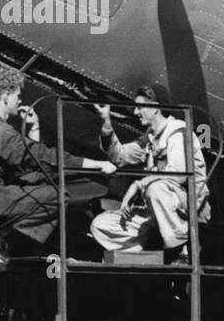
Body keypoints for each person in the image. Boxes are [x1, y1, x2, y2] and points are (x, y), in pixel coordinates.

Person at [0, 67, 115, 254]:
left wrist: (34, 128)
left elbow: (27, 161)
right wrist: (97, 164)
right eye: (17, 95)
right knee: (59, 197)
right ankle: (6, 242)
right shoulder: (0, 131)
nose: (20, 100)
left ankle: (9, 241)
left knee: (38, 181)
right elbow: (43, 156)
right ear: (6, 96)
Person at [89, 86, 210, 256]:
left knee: (156, 189)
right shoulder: (150, 138)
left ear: (154, 107)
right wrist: (106, 124)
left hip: (186, 209)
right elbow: (120, 157)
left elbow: (179, 175)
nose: (136, 112)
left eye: (140, 107)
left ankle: (179, 250)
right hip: (156, 210)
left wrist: (139, 184)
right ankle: (149, 249)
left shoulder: (179, 132)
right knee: (101, 225)